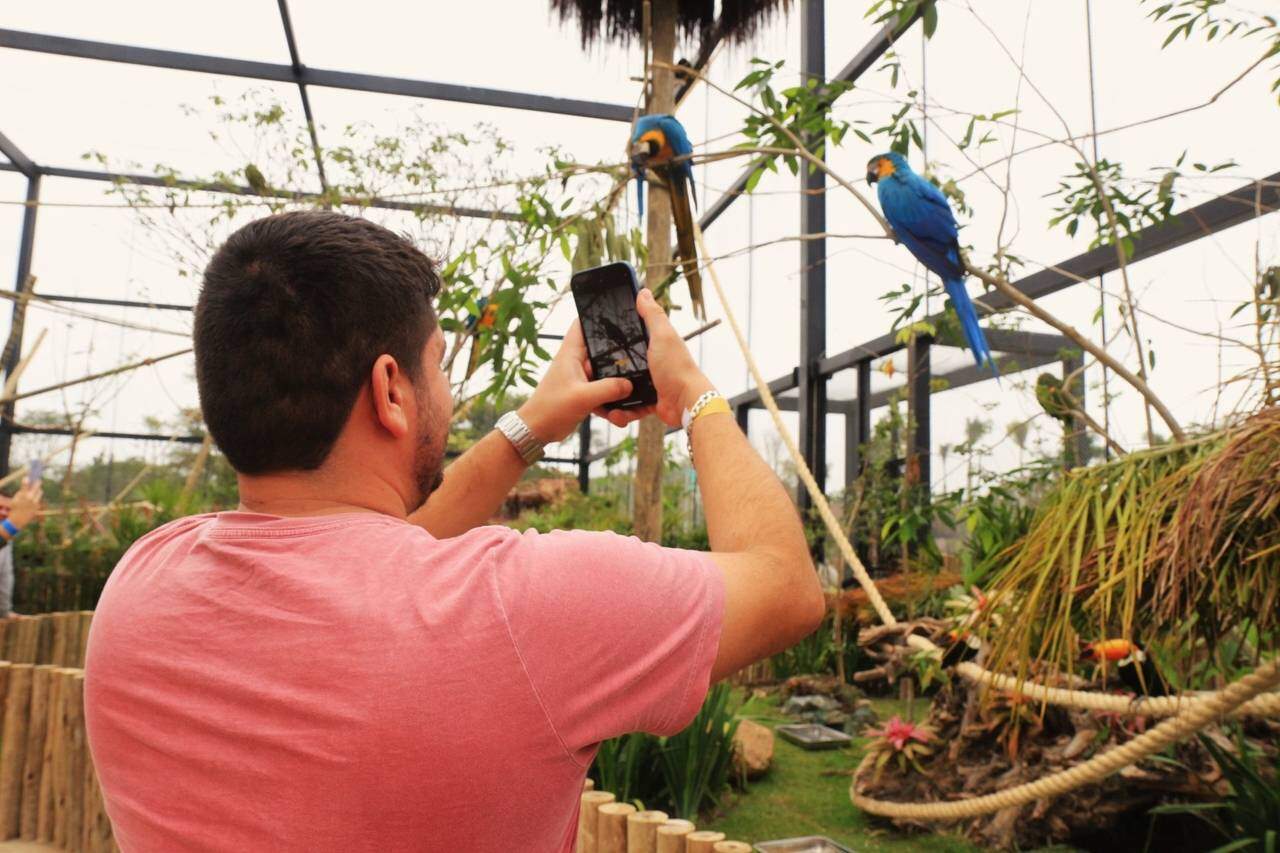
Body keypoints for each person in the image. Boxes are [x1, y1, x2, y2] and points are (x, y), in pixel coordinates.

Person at [83, 211, 823, 852]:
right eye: (438, 365)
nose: (448, 389)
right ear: (390, 389)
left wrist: (533, 424)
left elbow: (375, 554)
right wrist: (693, 393)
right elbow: (787, 584)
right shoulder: (522, 607)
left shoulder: (142, 581)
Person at [0, 479, 44, 616]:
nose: (4, 512)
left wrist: (5, 612)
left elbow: (5, 579)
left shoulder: (7, 542)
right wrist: (12, 525)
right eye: (0, 507)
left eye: (8, 509)